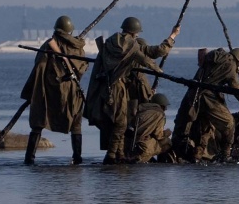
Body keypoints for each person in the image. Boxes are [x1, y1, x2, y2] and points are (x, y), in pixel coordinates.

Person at [84, 16, 179, 164]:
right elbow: (148, 58)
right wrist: (158, 69)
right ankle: (111, 155)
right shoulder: (132, 46)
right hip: (117, 89)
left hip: (105, 88)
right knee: (121, 123)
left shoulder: (110, 43)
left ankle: (120, 154)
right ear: (135, 33)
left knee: (117, 122)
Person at [20, 15, 89, 165]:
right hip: (72, 92)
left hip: (48, 93)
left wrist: (32, 90)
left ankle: (29, 160)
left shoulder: (48, 45)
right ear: (70, 31)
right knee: (76, 125)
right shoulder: (77, 47)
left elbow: (39, 67)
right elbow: (82, 68)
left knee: (39, 122)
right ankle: (77, 159)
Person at [172, 47, 239, 162]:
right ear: (238, 61)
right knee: (229, 123)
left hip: (194, 96)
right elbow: (236, 88)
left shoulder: (213, 56)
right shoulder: (230, 66)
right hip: (209, 98)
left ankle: (193, 155)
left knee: (201, 125)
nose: (238, 70)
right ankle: (225, 155)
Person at [130, 93, 173, 163]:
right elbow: (159, 136)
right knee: (167, 142)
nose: (166, 109)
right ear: (161, 106)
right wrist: (167, 133)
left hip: (131, 141)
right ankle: (161, 163)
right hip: (143, 145)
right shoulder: (159, 114)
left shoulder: (141, 109)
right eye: (165, 107)